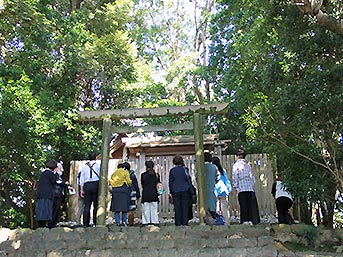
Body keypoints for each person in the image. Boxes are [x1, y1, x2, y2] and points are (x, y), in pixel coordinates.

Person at [232, 149, 260, 225]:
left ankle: (244, 220)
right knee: (250, 205)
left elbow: (235, 177)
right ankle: (252, 220)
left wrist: (236, 187)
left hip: (241, 187)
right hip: (249, 187)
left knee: (243, 205)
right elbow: (252, 177)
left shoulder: (236, 165)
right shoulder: (247, 165)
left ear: (237, 156)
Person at [169, 155, 193, 226]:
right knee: (185, 206)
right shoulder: (185, 169)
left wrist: (171, 191)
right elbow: (188, 180)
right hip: (185, 189)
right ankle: (184, 222)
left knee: (177, 207)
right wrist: (191, 191)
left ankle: (178, 222)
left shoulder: (172, 170)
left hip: (175, 190)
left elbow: (171, 182)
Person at [35, 160, 59, 228]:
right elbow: (55, 181)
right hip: (47, 195)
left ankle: (41, 225)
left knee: (41, 210)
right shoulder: (50, 174)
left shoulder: (43, 173)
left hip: (41, 194)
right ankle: (46, 226)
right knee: (46, 210)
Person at [79, 152, 101, 227]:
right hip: (96, 184)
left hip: (87, 185)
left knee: (87, 205)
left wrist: (81, 190)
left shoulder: (85, 167)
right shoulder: (98, 165)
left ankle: (86, 223)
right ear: (95, 157)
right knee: (96, 205)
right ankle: (95, 222)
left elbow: (82, 179)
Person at [49, 162, 70, 228]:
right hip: (55, 195)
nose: (62, 170)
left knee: (57, 211)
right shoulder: (55, 175)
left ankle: (54, 223)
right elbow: (59, 182)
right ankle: (51, 225)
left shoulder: (59, 177)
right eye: (61, 168)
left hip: (59, 195)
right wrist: (66, 185)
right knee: (54, 210)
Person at [212, 156, 232, 224]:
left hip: (215, 191)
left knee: (216, 209)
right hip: (223, 190)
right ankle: (226, 223)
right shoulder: (223, 171)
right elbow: (226, 181)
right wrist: (229, 189)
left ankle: (217, 222)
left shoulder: (212, 171)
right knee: (224, 209)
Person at [140, 160, 160, 226]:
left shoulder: (143, 175)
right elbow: (158, 184)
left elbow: (142, 184)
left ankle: (146, 222)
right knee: (154, 209)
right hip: (154, 193)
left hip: (146, 193)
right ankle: (155, 221)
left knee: (145, 209)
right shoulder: (156, 175)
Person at [122, 162, 141, 226]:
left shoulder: (121, 175)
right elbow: (136, 185)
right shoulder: (132, 175)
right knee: (132, 209)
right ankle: (131, 222)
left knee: (123, 208)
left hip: (123, 192)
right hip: (132, 192)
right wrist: (138, 195)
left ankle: (123, 222)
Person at [205, 152, 221, 219]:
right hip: (212, 188)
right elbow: (218, 177)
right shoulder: (214, 167)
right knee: (212, 204)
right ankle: (213, 218)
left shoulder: (201, 167)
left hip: (203, 190)